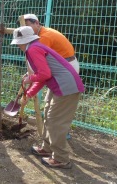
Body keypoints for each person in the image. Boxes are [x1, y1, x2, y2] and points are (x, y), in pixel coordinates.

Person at [11, 26, 84, 169]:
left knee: (55, 122)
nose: (18, 45)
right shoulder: (36, 47)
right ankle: (47, 148)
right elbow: (44, 77)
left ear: (22, 42)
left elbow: (44, 75)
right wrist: (30, 93)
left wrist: (29, 78)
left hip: (66, 87)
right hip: (58, 85)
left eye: (18, 42)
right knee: (49, 117)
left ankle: (61, 158)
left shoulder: (33, 49)